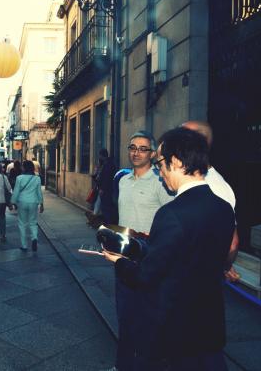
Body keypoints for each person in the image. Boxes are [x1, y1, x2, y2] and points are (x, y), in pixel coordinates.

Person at [103, 127, 235, 370]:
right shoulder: (223, 207)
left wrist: (117, 261)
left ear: (175, 161)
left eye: (161, 163)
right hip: (209, 320)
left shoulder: (171, 214)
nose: (160, 171)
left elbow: (146, 276)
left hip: (176, 326)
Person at [113, 131, 174, 370]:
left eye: (143, 148)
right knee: (124, 315)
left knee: (149, 318)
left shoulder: (160, 181)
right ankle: (123, 365)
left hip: (150, 257)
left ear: (152, 153)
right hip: (123, 255)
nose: (136, 152)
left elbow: (172, 220)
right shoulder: (122, 180)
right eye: (132, 147)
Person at [182, 120, 240, 282]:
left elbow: (232, 243)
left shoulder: (216, 186)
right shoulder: (185, 177)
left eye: (181, 138)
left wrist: (222, 266)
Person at [11, 160, 43, 251]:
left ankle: (24, 245)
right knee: (33, 222)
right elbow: (39, 192)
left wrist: (13, 201)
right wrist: (41, 203)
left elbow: (16, 191)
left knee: (22, 223)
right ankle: (34, 238)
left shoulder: (19, 178)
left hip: (22, 202)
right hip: (33, 202)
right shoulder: (37, 178)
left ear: (23, 167)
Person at [97, 149, 118, 224]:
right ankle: (108, 222)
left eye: (99, 155)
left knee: (106, 207)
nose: (99, 156)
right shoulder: (107, 163)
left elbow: (106, 178)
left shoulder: (108, 164)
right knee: (106, 206)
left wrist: (102, 189)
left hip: (106, 190)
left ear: (102, 155)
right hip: (108, 189)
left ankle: (108, 223)